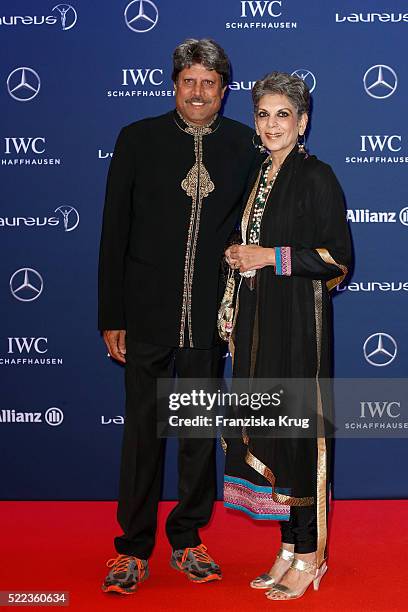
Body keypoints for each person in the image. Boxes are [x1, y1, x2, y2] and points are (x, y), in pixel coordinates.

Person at [98, 38, 256, 594]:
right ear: (174, 84)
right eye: (188, 81)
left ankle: (187, 538)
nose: (197, 92)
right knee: (143, 435)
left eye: (208, 83)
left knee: (195, 436)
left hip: (207, 321)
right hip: (144, 316)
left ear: (223, 90)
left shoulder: (245, 145)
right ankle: (132, 549)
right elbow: (113, 231)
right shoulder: (138, 140)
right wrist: (111, 313)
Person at [223, 71, 352, 601]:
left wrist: (267, 257)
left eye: (283, 115)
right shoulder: (257, 175)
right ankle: (285, 546)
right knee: (271, 433)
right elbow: (249, 241)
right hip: (257, 325)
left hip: (299, 328)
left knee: (300, 439)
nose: (272, 124)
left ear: (303, 122)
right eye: (263, 114)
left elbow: (337, 261)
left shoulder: (317, 176)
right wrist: (237, 258)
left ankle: (311, 554)